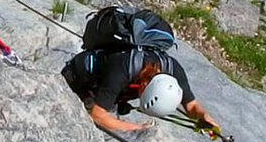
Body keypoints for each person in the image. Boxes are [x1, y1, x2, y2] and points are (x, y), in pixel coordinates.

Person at [61, 45, 219, 133]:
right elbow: (97, 114)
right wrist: (135, 128)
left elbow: (191, 105)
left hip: (109, 87)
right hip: (78, 79)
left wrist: (204, 116)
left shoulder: (173, 70)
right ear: (143, 86)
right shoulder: (123, 69)